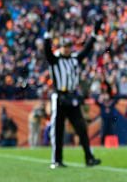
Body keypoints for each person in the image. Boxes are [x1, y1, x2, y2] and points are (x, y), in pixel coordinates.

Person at [43, 16, 101, 169]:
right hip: (59, 97)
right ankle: (57, 160)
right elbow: (46, 51)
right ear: (60, 47)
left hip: (72, 96)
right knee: (58, 129)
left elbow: (87, 49)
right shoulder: (54, 60)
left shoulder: (74, 59)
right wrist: (47, 34)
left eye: (69, 46)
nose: (67, 49)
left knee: (81, 128)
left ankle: (89, 158)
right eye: (65, 46)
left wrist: (95, 33)